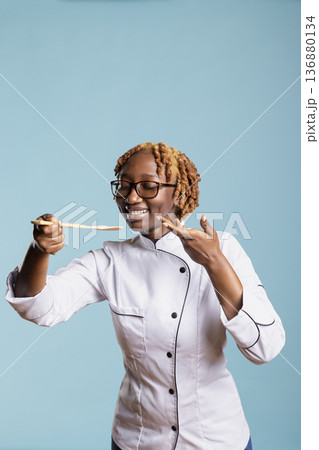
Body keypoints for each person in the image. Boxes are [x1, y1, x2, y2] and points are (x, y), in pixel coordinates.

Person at [5, 142, 285, 450]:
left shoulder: (224, 249)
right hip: (137, 441)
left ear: (178, 193)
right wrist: (39, 250)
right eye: (123, 188)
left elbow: (265, 348)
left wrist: (215, 263)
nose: (132, 198)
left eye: (148, 187)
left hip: (217, 439)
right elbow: (39, 307)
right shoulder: (110, 260)